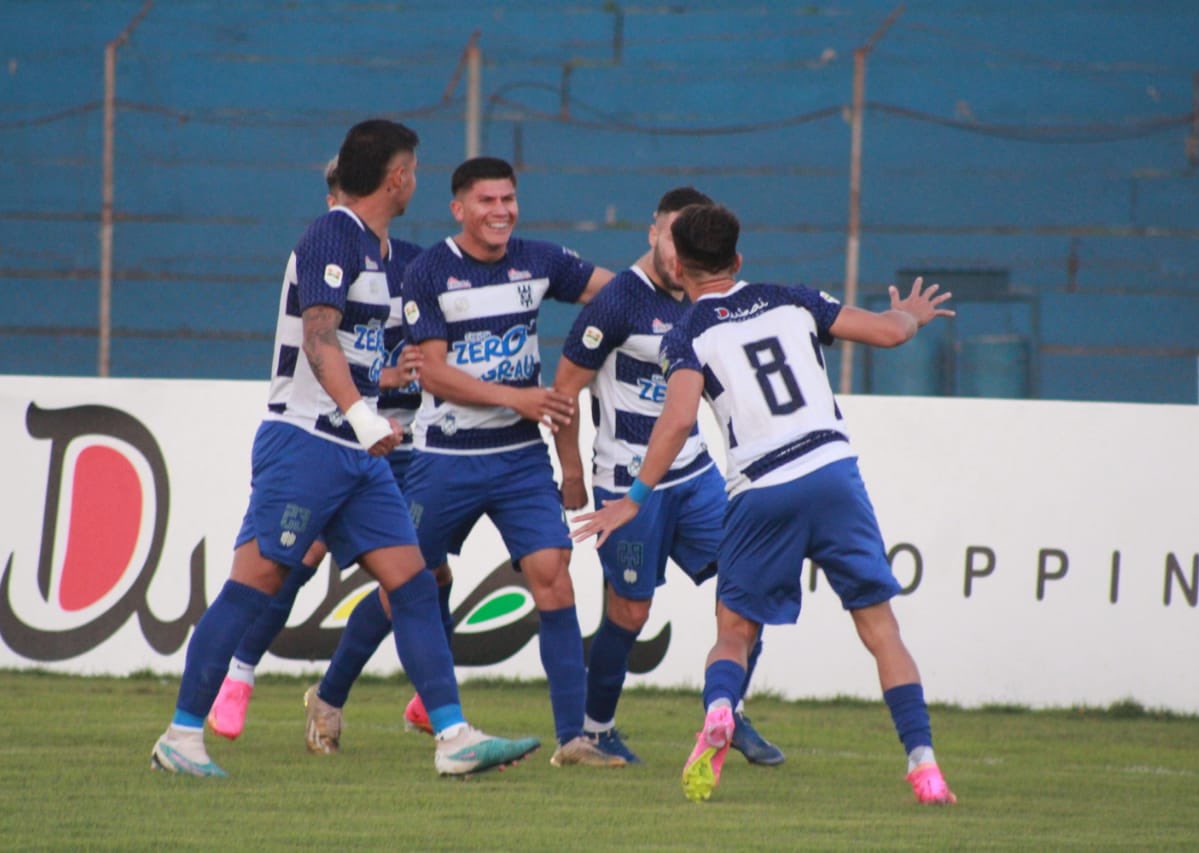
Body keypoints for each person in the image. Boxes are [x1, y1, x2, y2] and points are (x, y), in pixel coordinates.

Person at [150, 119, 540, 778]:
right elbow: (319, 338)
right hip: (306, 441)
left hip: (357, 453)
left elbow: (359, 349)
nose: (414, 179)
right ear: (397, 177)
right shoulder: (333, 233)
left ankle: (452, 737)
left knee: (412, 583)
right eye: (413, 170)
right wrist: (365, 418)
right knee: (255, 585)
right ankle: (182, 735)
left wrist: (372, 410)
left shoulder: (386, 252)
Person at [572, 203, 958, 805]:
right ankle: (924, 764)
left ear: (678, 263)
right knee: (881, 630)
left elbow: (676, 421)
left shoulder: (688, 332)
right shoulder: (791, 298)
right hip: (833, 473)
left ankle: (722, 708)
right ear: (739, 259)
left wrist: (634, 498)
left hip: (762, 486)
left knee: (734, 631)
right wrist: (910, 314)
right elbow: (887, 332)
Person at [205, 156, 440, 752]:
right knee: (289, 561)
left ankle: (402, 705)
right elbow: (325, 349)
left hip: (403, 442)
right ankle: (237, 674)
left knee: (422, 576)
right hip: (331, 435)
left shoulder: (406, 260)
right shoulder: (327, 247)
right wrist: (379, 388)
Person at [400, 156, 625, 767]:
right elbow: (437, 374)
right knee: (407, 580)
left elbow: (623, 293)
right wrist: (518, 397)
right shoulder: (429, 272)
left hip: (520, 459)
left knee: (553, 573)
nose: (500, 211)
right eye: (486, 202)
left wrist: (679, 278)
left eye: (508, 199)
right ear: (458, 209)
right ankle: (334, 696)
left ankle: (572, 740)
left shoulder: (539, 260)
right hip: (444, 458)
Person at [552, 187, 783, 766]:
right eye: (671, 234)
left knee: (745, 587)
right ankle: (596, 731)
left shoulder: (707, 299)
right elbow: (564, 392)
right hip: (626, 480)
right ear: (653, 232)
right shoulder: (616, 301)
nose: (677, 251)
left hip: (696, 474)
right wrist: (573, 471)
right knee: (630, 613)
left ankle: (728, 710)